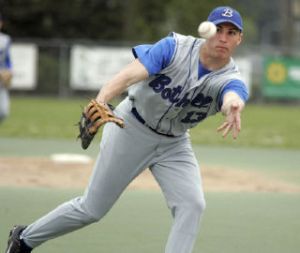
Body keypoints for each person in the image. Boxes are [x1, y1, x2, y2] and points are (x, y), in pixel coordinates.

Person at [5, 6, 248, 253]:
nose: (223, 37)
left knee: (192, 204)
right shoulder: (174, 47)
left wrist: (233, 105)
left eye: (231, 32)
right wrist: (102, 100)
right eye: (218, 30)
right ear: (208, 31)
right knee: (92, 209)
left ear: (239, 39)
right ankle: (25, 238)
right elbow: (129, 75)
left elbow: (232, 95)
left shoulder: (231, 77)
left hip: (174, 143)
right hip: (130, 127)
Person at [0, 13, 13, 123]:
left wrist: (9, 71)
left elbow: (7, 60)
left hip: (1, 80)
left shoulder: (5, 39)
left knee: (3, 112)